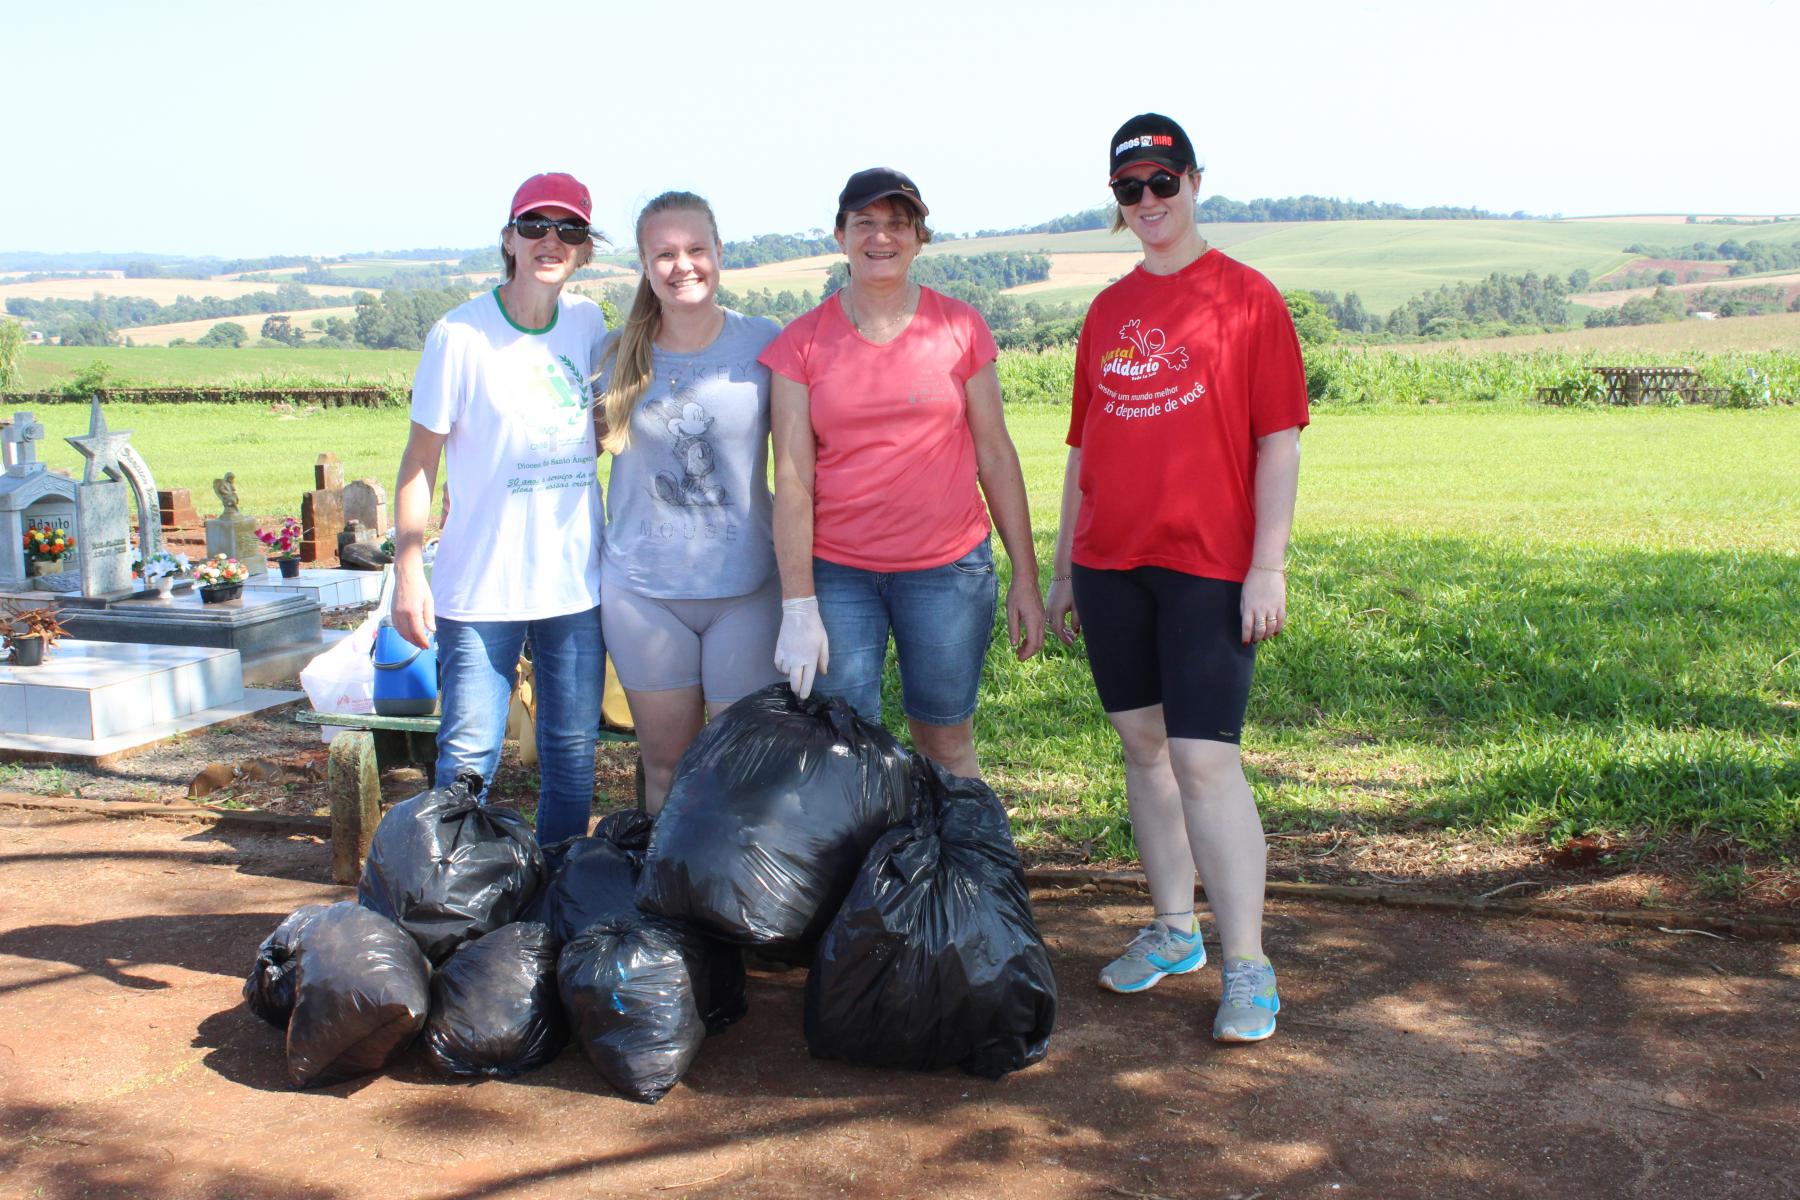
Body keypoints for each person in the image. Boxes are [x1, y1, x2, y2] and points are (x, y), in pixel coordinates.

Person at [1046, 115, 1308, 1043]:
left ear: (1196, 182)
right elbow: (1085, 446)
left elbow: (1279, 441)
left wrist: (1267, 564)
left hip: (1208, 564)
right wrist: (1063, 565)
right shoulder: (1109, 310)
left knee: (1205, 761)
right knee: (1144, 749)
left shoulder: (1247, 298)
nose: (1150, 203)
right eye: (1131, 190)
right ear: (1116, 202)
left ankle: (1248, 964)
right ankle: (1171, 931)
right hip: (1112, 562)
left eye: (1164, 184)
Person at [761, 168, 1044, 778]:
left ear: (919, 238)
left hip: (947, 572)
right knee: (847, 748)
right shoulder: (800, 344)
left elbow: (995, 453)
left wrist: (1026, 576)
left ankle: (963, 865)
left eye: (898, 223)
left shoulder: (960, 327)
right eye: (865, 223)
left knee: (944, 743)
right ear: (840, 236)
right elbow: (793, 480)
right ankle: (871, 871)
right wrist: (798, 604)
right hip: (839, 575)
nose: (881, 237)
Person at [391, 171, 609, 845]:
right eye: (536, 226)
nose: (551, 240)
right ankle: (453, 903)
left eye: (569, 229)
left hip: (574, 585)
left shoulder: (588, 323)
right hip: (481, 587)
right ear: (509, 239)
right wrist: (407, 571)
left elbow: (598, 431)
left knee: (572, 756)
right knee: (467, 760)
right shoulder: (460, 336)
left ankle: (556, 892)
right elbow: (418, 463)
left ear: (584, 250)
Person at [594, 191, 782, 813]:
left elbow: (810, 462)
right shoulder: (615, 355)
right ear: (646, 266)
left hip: (747, 590)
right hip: (644, 595)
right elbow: (561, 466)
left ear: (719, 254)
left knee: (739, 772)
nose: (683, 266)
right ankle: (663, 900)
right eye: (665, 254)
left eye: (696, 249)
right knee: (666, 766)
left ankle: (738, 905)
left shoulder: (765, 344)